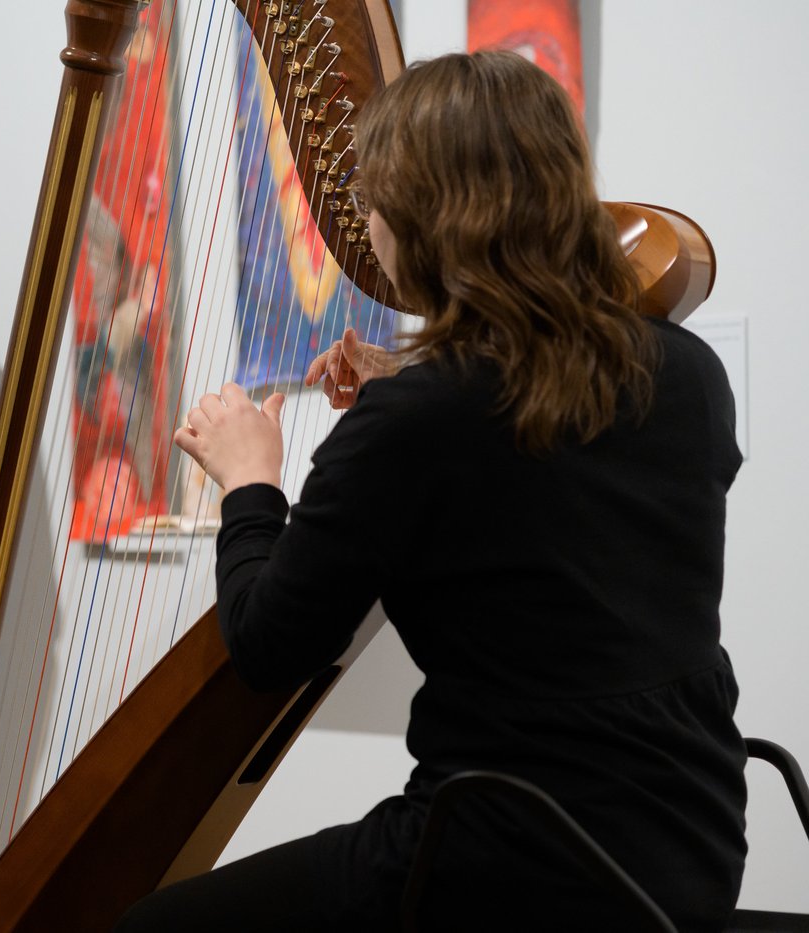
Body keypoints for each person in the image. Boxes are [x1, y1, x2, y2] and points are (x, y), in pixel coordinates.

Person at [118, 51, 745, 931]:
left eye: (371, 203)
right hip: (687, 851)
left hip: (509, 859)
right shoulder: (688, 374)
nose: (364, 227)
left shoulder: (423, 418)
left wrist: (249, 477)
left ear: (430, 216)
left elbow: (267, 648)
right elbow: (545, 478)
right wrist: (407, 399)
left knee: (150, 927)